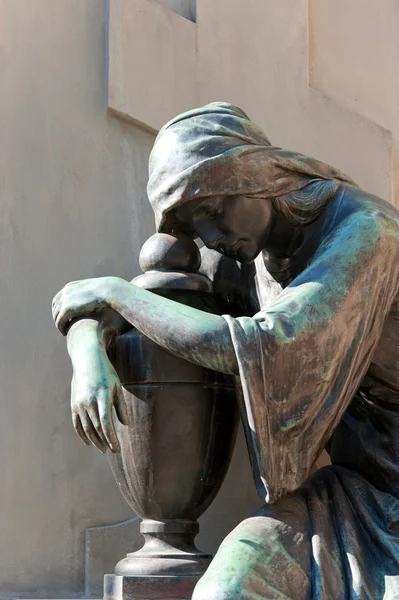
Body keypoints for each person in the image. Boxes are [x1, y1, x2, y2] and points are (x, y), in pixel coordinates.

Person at [52, 103, 399, 598]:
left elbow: (269, 345)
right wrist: (87, 352)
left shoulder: (368, 233)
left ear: (256, 173)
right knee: (228, 587)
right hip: (353, 499)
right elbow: (148, 313)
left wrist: (116, 293)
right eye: (198, 227)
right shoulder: (245, 258)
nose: (213, 238)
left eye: (215, 211)